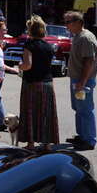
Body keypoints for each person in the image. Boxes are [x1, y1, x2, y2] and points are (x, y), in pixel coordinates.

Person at [17, 15, 59, 149]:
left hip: (31, 83)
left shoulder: (29, 44)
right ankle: (46, 144)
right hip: (47, 83)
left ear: (31, 30)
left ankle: (31, 143)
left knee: (30, 113)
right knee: (46, 114)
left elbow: (28, 65)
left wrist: (20, 65)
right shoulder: (49, 46)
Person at [64, 10, 97, 150]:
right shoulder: (78, 36)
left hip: (83, 80)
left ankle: (89, 140)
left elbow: (88, 62)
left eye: (68, 22)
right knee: (78, 108)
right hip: (77, 79)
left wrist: (82, 82)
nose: (66, 25)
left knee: (85, 109)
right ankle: (82, 136)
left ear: (78, 22)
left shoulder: (86, 38)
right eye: (65, 22)